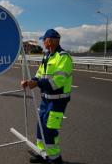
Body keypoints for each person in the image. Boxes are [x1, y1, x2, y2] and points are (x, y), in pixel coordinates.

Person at [21, 29, 73, 164]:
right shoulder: (47, 55)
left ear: (50, 40)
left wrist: (37, 83)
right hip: (46, 100)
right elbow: (39, 73)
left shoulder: (63, 57)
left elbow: (58, 82)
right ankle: (42, 153)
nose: (43, 42)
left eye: (44, 39)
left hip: (58, 101)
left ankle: (55, 159)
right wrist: (30, 81)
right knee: (41, 127)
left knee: (50, 130)